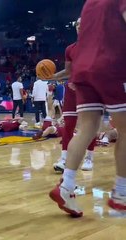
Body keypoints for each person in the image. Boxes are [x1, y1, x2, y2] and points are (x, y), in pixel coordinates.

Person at [49, 0, 126, 217]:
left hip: (83, 70)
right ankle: (121, 195)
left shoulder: (90, 3)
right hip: (111, 66)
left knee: (86, 129)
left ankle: (66, 186)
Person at [49, 18, 96, 173]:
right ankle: (64, 159)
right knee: (68, 125)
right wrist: (53, 76)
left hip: (89, 90)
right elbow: (68, 72)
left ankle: (89, 158)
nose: (79, 28)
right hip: (71, 91)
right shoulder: (70, 49)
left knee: (87, 126)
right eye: (77, 26)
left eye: (82, 25)